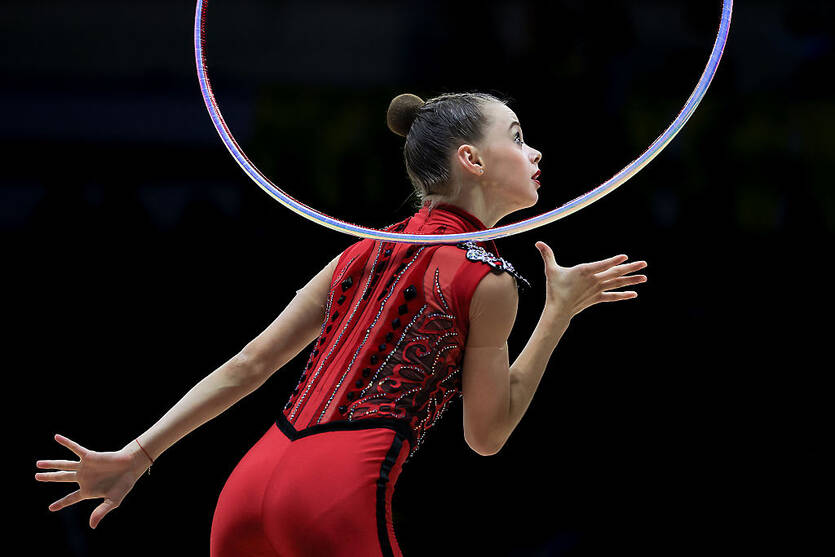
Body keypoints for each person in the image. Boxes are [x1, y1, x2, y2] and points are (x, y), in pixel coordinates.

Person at [35, 92, 648, 556]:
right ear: (472, 160)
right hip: (335, 495)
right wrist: (558, 312)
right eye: (516, 137)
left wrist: (138, 455)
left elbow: (249, 364)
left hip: (247, 487)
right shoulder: (487, 277)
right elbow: (486, 434)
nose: (534, 151)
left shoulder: (357, 253)